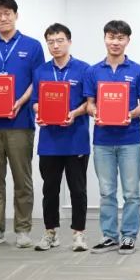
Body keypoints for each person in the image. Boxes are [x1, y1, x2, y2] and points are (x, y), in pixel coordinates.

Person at [0, 0, 45, 249]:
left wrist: (19, 102)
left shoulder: (33, 46)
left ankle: (23, 230)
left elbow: (37, 81)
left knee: (22, 179)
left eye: (7, 13)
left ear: (16, 15)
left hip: (20, 122)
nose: (3, 18)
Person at [84, 20, 140, 254]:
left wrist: (129, 114)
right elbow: (89, 104)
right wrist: (95, 113)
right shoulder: (93, 71)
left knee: (131, 192)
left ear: (128, 41)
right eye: (111, 37)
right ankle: (109, 236)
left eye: (120, 38)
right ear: (105, 39)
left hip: (130, 140)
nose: (115, 42)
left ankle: (129, 236)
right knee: (106, 192)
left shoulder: (138, 70)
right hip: (102, 141)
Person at [30, 23, 90, 252]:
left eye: (60, 40)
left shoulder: (84, 69)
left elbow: (90, 102)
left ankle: (78, 234)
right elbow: (35, 102)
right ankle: (50, 233)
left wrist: (74, 113)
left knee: (78, 190)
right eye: (51, 42)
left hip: (76, 139)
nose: (55, 46)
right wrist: (40, 113)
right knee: (50, 189)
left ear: (69, 42)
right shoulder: (41, 71)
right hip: (49, 142)